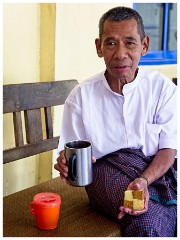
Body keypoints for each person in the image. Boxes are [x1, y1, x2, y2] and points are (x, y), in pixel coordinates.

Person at [54, 6, 177, 237]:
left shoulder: (163, 90)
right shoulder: (81, 97)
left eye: (130, 42)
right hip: (105, 174)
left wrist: (144, 179)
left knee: (154, 207)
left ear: (145, 45)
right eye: (110, 43)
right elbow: (70, 161)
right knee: (145, 221)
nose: (120, 53)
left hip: (153, 172)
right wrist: (65, 166)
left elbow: (169, 149)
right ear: (99, 47)